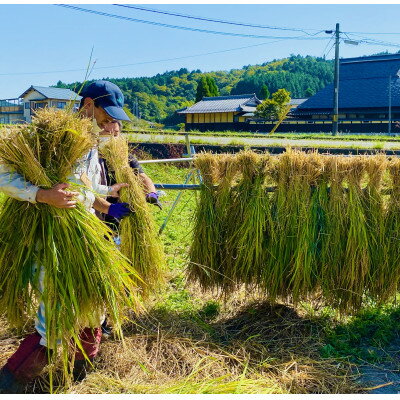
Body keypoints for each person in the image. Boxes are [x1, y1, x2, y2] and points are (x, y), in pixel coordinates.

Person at [0, 80, 132, 393]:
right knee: (55, 313)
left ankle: (79, 369)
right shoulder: (43, 135)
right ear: (88, 104)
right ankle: (11, 384)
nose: (109, 122)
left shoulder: (88, 143)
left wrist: (105, 194)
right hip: (52, 237)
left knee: (93, 301)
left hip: (83, 235)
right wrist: (42, 195)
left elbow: (81, 184)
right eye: (106, 113)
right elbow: (3, 174)